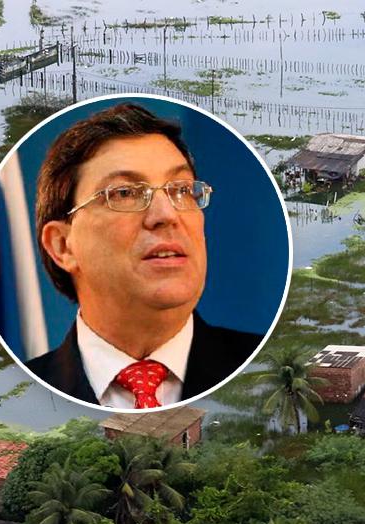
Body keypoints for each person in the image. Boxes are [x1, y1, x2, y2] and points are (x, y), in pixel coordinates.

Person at [26, 103, 262, 409]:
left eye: (181, 190)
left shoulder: (263, 367)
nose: (167, 215)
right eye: (125, 193)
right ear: (63, 245)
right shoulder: (21, 391)